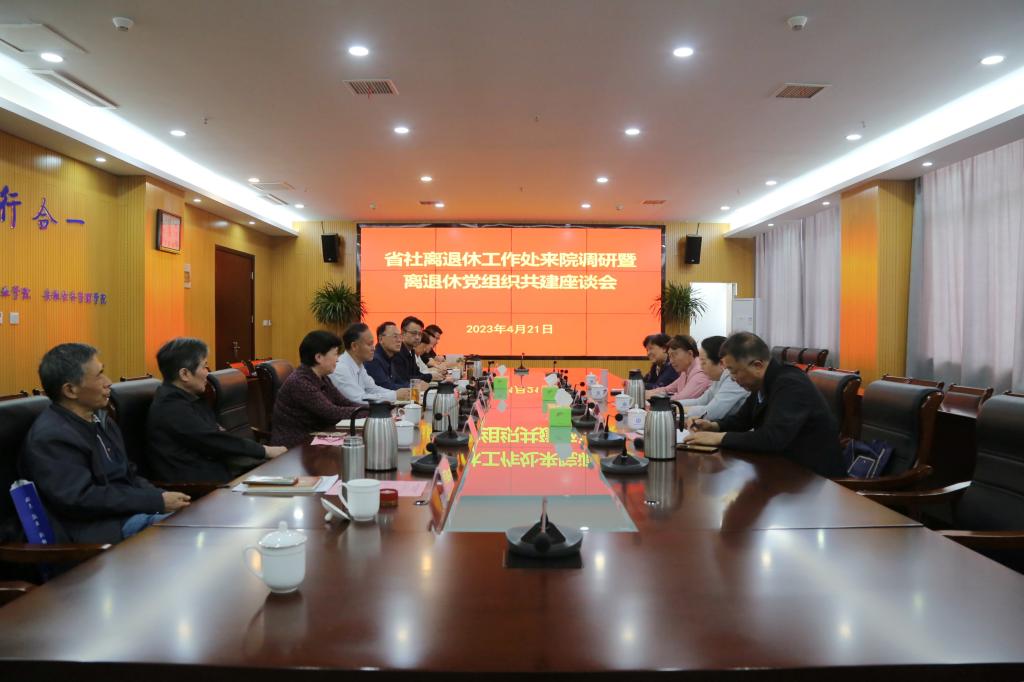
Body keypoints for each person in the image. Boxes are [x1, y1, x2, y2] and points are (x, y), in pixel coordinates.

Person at [19, 343, 190, 544]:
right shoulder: (52, 437)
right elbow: (81, 499)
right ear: (71, 390)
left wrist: (162, 496)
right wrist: (155, 501)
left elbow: (129, 475)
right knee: (189, 533)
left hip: (130, 514)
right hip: (101, 531)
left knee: (195, 518)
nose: (108, 382)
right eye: (99, 375)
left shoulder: (102, 420)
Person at [684, 332, 845, 477]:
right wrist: (713, 426)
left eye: (734, 371)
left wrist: (719, 438)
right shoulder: (763, 382)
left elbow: (772, 438)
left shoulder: (790, 384)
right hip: (784, 468)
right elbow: (742, 420)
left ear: (757, 366)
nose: (732, 378)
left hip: (814, 478)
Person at [146, 337, 286, 483]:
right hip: (205, 486)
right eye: (204, 366)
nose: (207, 373)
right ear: (184, 374)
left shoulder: (187, 398)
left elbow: (215, 434)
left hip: (224, 472)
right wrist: (265, 451)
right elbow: (214, 440)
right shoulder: (172, 408)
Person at [271, 331, 362, 448]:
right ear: (318, 357)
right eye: (335, 354)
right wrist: (367, 412)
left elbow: (344, 402)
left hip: (316, 439)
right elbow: (331, 412)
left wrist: (372, 409)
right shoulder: (300, 382)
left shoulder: (322, 377)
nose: (338, 359)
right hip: (295, 446)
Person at [331, 322, 420, 404]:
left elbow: (373, 389)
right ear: (354, 346)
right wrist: (395, 395)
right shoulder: (340, 369)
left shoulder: (359, 365)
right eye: (369, 344)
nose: (373, 348)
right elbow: (359, 399)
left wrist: (397, 394)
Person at [677, 335, 749, 421]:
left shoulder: (733, 379)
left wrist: (678, 408)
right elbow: (700, 401)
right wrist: (673, 404)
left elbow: (712, 413)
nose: (701, 367)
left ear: (721, 362)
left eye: (703, 362)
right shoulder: (718, 378)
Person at [646, 334, 710, 401]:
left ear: (690, 354)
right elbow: (667, 389)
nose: (671, 361)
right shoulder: (685, 372)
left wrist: (651, 397)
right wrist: (646, 393)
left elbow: (682, 398)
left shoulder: (700, 372)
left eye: (674, 355)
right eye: (670, 356)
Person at [396, 316, 442, 383]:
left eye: (420, 334)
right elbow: (404, 378)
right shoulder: (397, 352)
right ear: (403, 333)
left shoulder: (411, 352)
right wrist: (430, 377)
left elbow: (417, 374)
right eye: (414, 333)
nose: (417, 337)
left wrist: (430, 377)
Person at [365, 321, 408, 390]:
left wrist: (415, 385)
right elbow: (386, 387)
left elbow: (399, 381)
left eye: (400, 336)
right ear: (381, 339)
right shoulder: (373, 360)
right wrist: (413, 387)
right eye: (395, 336)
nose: (399, 340)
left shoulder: (390, 357)